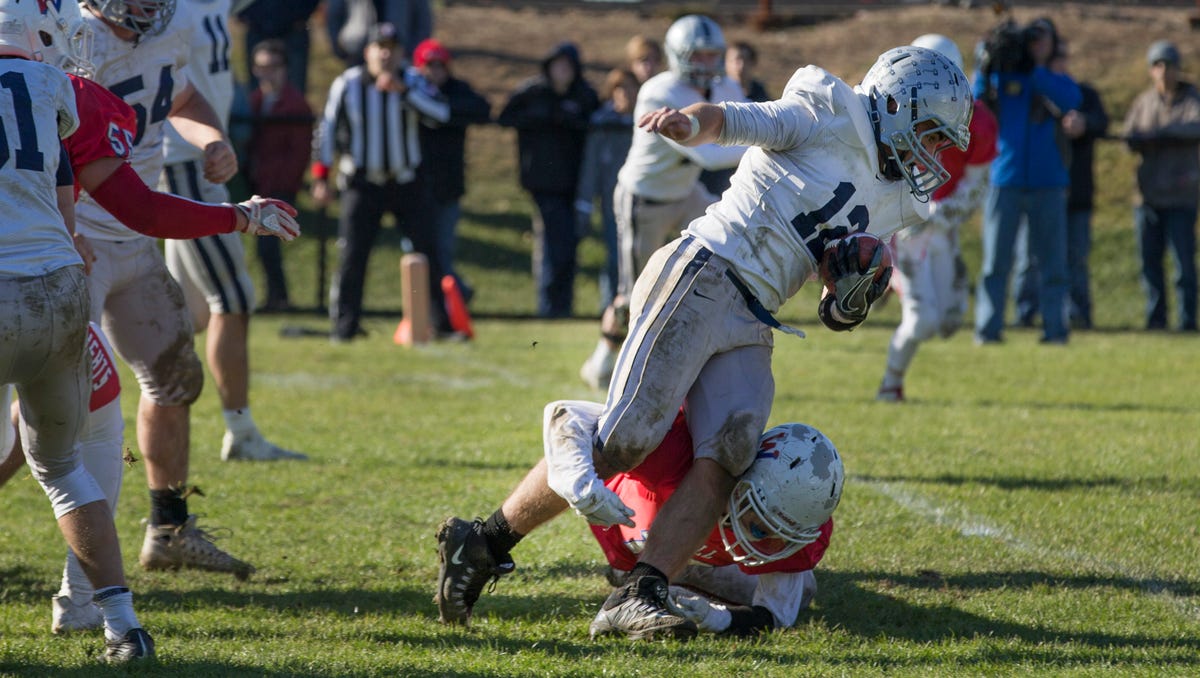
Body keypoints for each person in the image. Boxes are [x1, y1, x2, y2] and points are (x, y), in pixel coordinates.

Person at [436, 44, 971, 639]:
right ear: (894, 104)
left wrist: (849, 295)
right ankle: (481, 541)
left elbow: (835, 310)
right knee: (625, 441)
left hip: (757, 312)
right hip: (704, 270)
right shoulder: (828, 110)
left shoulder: (899, 197)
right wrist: (693, 123)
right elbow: (740, 120)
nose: (934, 150)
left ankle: (640, 593)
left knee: (732, 449)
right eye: (929, 130)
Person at [78, 0, 262, 580]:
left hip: (134, 234)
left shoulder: (176, 23)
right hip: (76, 237)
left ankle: (169, 528)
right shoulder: (70, 36)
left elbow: (180, 96)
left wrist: (210, 138)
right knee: (48, 399)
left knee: (175, 379)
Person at [0, 0, 152, 662]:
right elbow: (65, 204)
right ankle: (121, 624)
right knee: (64, 469)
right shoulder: (51, 86)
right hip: (60, 286)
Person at [434, 400, 840, 636]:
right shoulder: (683, 454)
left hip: (670, 557)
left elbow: (774, 616)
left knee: (802, 588)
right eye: (759, 523)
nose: (763, 541)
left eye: (776, 537)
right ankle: (486, 539)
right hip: (623, 518)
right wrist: (578, 481)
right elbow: (568, 414)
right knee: (599, 448)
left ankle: (642, 587)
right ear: (744, 479)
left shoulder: (797, 525)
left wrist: (717, 619)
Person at [160, 0, 307, 463]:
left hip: (206, 157)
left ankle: (142, 409)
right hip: (185, 159)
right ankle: (240, 432)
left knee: (189, 313)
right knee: (235, 297)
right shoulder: (166, 8)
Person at [578, 15, 748, 391]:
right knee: (635, 295)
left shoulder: (725, 85)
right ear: (678, 56)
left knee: (731, 245)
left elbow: (755, 117)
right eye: (698, 56)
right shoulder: (660, 92)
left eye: (711, 55)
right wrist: (762, 144)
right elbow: (706, 153)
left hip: (685, 192)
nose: (706, 64)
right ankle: (605, 363)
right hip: (645, 199)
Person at [312, 22, 452, 342]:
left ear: (402, 53)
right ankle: (345, 327)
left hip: (406, 181)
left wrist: (405, 93)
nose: (386, 53)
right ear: (368, 53)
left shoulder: (414, 80)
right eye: (380, 47)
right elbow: (327, 130)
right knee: (352, 257)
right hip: (363, 183)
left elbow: (440, 114)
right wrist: (322, 177)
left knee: (428, 253)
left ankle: (439, 324)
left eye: (392, 47)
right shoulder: (347, 84)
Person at [876, 34, 998, 402]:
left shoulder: (978, 120)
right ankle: (890, 386)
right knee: (923, 320)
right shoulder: (893, 110)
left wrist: (940, 215)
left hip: (942, 228)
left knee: (948, 320)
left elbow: (978, 185)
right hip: (906, 231)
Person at [972, 17, 1081, 345]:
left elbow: (1071, 99)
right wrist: (987, 63)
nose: (1036, 44)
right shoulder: (1003, 78)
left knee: (1052, 263)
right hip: (1005, 178)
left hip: (1048, 182)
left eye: (1042, 39)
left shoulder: (1050, 78)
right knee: (995, 262)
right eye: (1030, 39)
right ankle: (988, 330)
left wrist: (1033, 69)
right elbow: (975, 101)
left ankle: (1055, 330)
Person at [1012, 39, 1109, 330]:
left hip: (1076, 194)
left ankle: (1080, 314)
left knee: (1075, 258)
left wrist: (1085, 123)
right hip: (1038, 189)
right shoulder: (1030, 95)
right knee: (1029, 258)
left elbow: (1102, 122)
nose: (1061, 63)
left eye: (1065, 56)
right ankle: (1026, 313)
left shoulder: (1083, 94)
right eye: (1056, 57)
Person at [497, 41, 598, 318]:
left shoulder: (584, 96)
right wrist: (543, 116)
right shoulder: (533, 93)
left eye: (568, 65)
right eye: (558, 64)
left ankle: (560, 307)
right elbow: (504, 117)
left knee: (566, 246)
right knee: (556, 246)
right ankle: (552, 308)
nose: (562, 70)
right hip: (543, 184)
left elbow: (597, 121)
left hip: (575, 185)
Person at [1122, 39, 1200, 332]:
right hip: (1147, 197)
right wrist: (1140, 139)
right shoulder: (1143, 102)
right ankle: (1156, 320)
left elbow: (1195, 127)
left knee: (1183, 266)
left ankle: (1187, 320)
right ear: (1151, 70)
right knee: (1149, 265)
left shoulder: (1191, 99)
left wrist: (1162, 133)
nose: (1164, 71)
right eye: (1158, 65)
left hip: (1181, 196)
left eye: (1169, 65)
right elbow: (1128, 135)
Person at [413, 37, 492, 304]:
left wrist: (445, 110)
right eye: (429, 65)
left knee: (442, 250)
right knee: (418, 250)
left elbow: (482, 109)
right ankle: (447, 299)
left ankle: (449, 302)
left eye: (440, 66)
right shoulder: (411, 92)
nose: (435, 72)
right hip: (414, 187)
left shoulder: (458, 91)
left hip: (449, 186)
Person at [247, 39, 316, 313]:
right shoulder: (255, 101)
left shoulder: (295, 104)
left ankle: (279, 298)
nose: (268, 73)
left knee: (268, 247)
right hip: (258, 184)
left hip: (278, 186)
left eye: (274, 67)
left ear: (285, 69)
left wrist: (285, 186)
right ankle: (276, 297)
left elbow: (299, 153)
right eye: (262, 67)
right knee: (264, 248)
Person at [575, 68, 640, 311]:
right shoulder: (601, 124)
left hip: (646, 203)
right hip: (612, 203)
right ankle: (610, 310)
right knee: (616, 259)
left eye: (631, 88)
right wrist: (584, 204)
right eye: (620, 88)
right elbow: (591, 167)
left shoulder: (646, 122)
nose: (626, 94)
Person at [700, 40, 773, 196]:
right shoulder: (712, 91)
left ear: (753, 64)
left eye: (745, 60)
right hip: (715, 175)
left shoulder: (761, 95)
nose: (739, 66)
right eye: (734, 60)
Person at [236, 0, 321, 94]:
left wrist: (303, 14)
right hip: (256, 26)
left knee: (295, 89)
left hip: (294, 29)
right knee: (257, 91)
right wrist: (243, 13)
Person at [326, 0, 432, 66]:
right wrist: (339, 48)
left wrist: (411, 52)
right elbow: (334, 16)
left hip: (397, 55)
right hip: (356, 54)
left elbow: (423, 21)